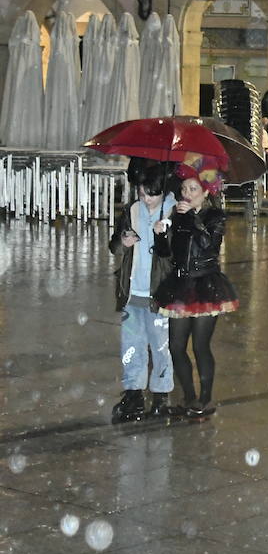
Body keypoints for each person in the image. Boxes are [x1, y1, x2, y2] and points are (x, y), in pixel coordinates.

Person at [152, 157, 240, 419]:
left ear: (205, 192)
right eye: (184, 189)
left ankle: (205, 398)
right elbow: (167, 253)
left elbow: (208, 245)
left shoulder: (215, 217)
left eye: (192, 189)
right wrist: (159, 234)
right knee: (176, 346)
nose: (186, 194)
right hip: (180, 285)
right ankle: (188, 396)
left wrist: (191, 218)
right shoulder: (177, 216)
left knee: (201, 346)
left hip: (205, 285)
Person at [109, 161, 176, 423]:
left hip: (159, 293)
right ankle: (133, 392)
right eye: (141, 192)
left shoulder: (174, 213)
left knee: (160, 347)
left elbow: (173, 256)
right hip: (131, 291)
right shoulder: (132, 210)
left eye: (151, 193)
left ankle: (161, 395)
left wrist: (162, 235)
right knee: (131, 345)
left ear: (163, 190)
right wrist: (122, 242)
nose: (146, 198)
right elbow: (114, 246)